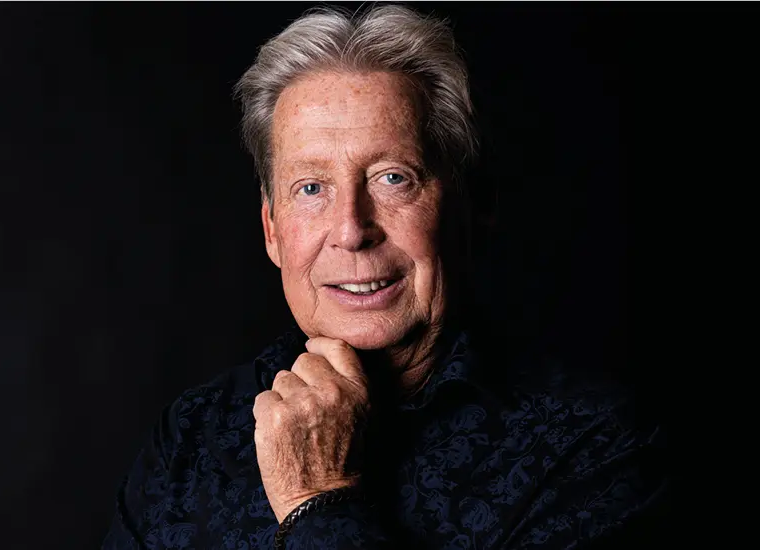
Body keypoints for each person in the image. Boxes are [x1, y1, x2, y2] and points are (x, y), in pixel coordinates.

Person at [102, 5, 667, 549]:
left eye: (393, 178)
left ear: (472, 206)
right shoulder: (191, 436)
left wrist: (318, 498)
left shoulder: (596, 447)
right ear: (272, 229)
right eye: (311, 188)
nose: (352, 230)